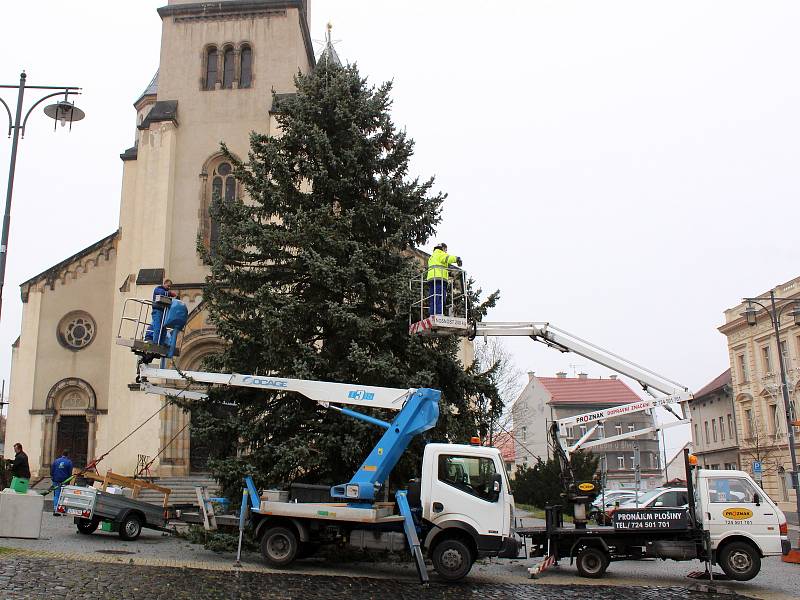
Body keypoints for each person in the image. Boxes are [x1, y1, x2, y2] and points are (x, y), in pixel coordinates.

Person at [426, 243, 462, 315]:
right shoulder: (440, 253)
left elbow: (440, 265)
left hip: (431, 278)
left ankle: (432, 313)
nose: (446, 251)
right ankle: (438, 313)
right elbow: (448, 258)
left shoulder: (432, 256)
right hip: (439, 278)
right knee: (440, 297)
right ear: (442, 248)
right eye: (446, 249)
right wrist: (457, 259)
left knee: (433, 297)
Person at [144, 278, 177, 342]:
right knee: (158, 328)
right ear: (164, 284)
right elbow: (161, 293)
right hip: (157, 311)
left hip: (164, 312)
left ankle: (161, 343)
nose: (169, 288)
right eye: (168, 286)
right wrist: (170, 294)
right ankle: (155, 343)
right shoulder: (158, 289)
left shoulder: (166, 292)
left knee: (164, 330)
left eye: (170, 287)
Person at [50, 449, 73, 515]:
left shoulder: (56, 461)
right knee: (64, 495)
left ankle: (55, 509)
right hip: (65, 481)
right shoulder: (69, 462)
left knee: (56, 495)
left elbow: (52, 471)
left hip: (56, 480)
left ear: (62, 454)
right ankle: (63, 510)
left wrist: (53, 477)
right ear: (68, 455)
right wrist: (69, 479)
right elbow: (70, 473)